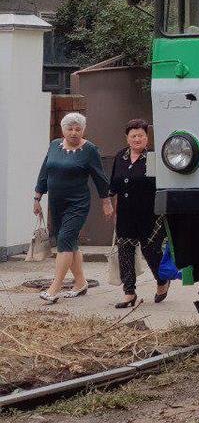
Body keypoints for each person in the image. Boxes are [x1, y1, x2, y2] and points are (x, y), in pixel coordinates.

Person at [33, 112, 112, 303]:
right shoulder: (54, 145)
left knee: (65, 239)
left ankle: (55, 288)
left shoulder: (89, 150)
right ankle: (80, 282)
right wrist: (37, 197)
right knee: (70, 243)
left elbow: (100, 177)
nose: (74, 132)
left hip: (78, 203)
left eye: (78, 129)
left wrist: (106, 200)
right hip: (56, 202)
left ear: (83, 130)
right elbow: (45, 171)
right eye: (70, 129)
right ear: (63, 130)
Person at [111, 119, 171, 309]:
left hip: (150, 213)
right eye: (133, 136)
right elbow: (115, 184)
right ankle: (129, 292)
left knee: (150, 250)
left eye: (141, 135)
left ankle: (162, 281)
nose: (137, 139)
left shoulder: (153, 157)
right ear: (127, 138)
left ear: (147, 138)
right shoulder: (121, 156)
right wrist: (111, 206)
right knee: (125, 251)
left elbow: (162, 184)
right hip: (126, 212)